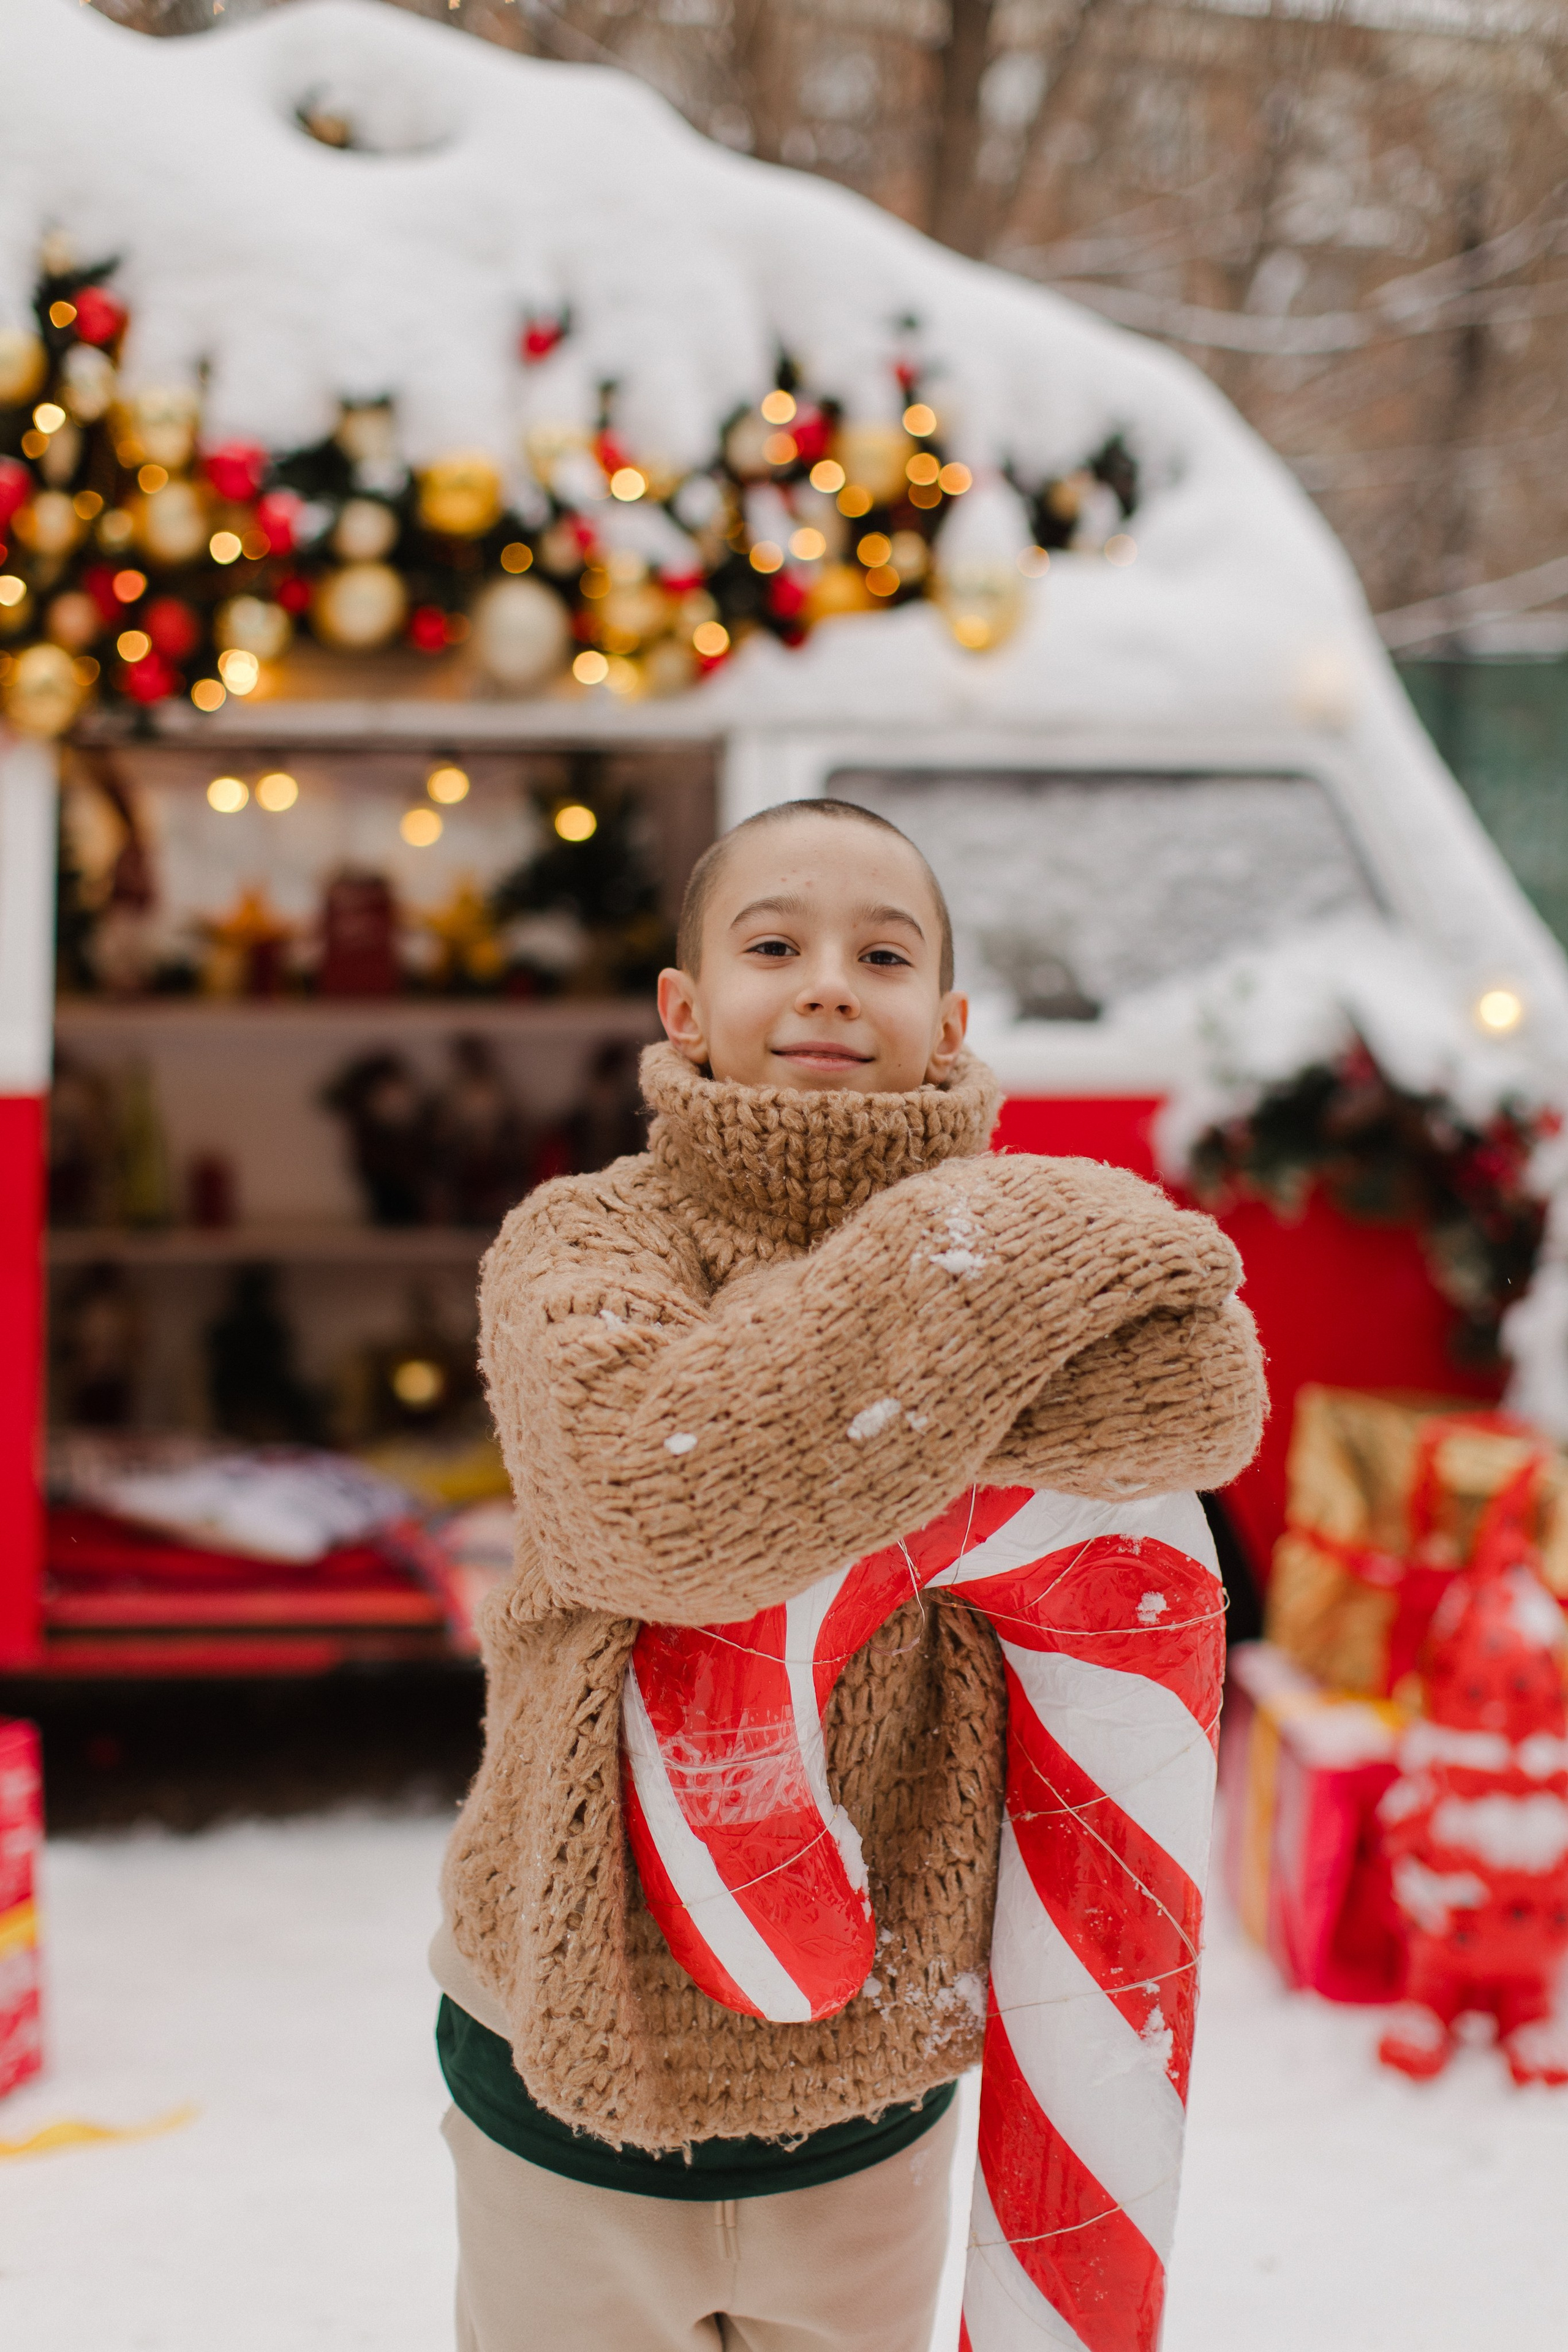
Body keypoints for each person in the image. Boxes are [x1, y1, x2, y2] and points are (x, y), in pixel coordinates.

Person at [431, 797, 1265, 2351]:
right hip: (565, 2051)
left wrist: (857, 1384)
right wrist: (972, 1242)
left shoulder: (1019, 1254)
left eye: (880, 954)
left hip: (872, 2088)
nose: (827, 983)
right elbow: (645, 1496)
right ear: (682, 1007)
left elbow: (1203, 1398)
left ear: (947, 1026)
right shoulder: (582, 1244)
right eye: (773, 945)